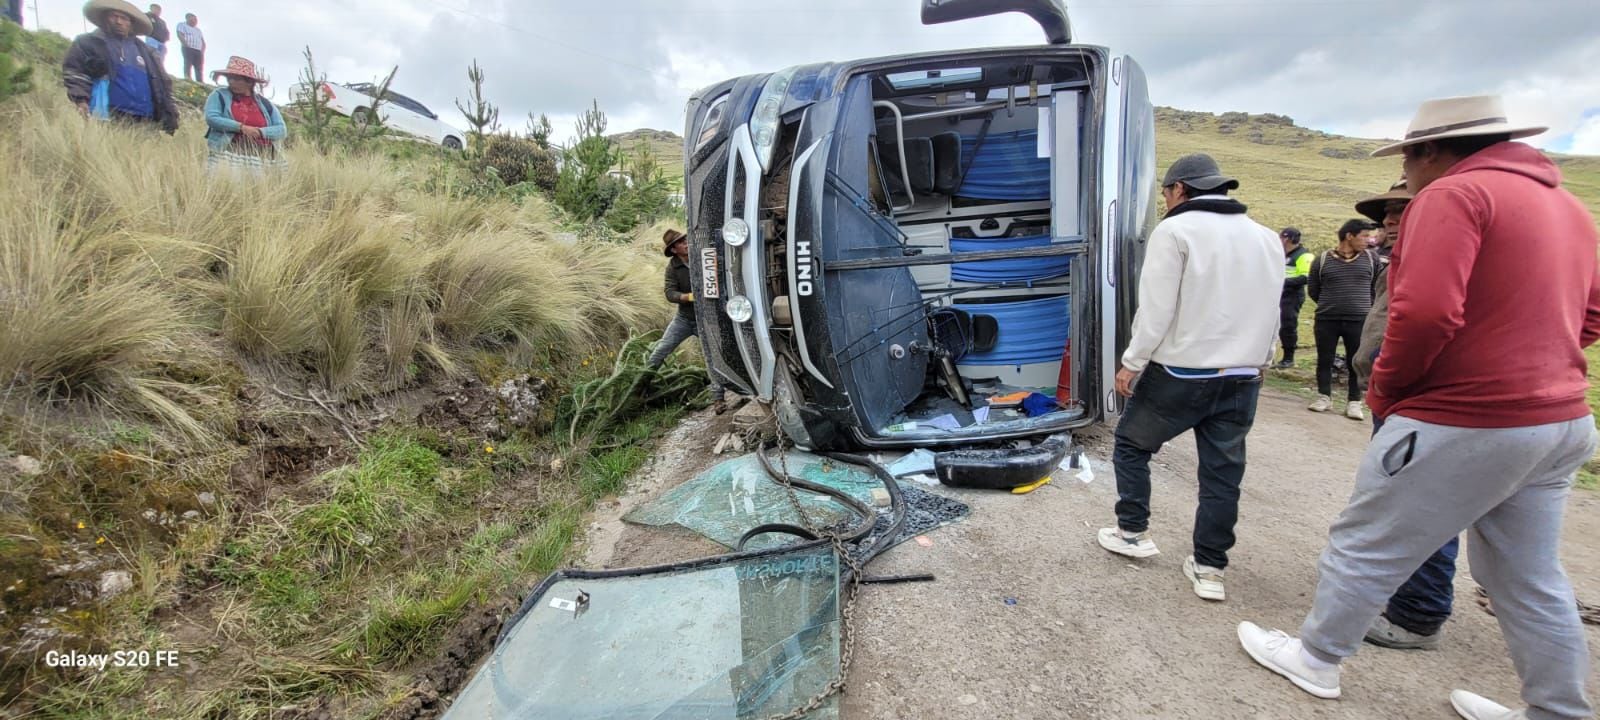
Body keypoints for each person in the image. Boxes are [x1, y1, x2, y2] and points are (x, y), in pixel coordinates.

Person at [1237, 94, 1600, 720]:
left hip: (1465, 413)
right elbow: (1592, 314)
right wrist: (1538, 361)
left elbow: (1426, 311)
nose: (1404, 172)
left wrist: (1391, 387)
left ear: (1429, 150)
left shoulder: (1454, 194)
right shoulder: (1566, 205)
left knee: (1366, 539)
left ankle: (1317, 658)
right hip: (1562, 418)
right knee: (1526, 574)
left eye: (1407, 157)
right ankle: (1556, 709)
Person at [1095, 154, 1283, 602]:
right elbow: (1272, 308)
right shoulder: (1266, 237)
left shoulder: (1175, 231)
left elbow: (1156, 309)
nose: (1164, 200)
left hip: (1182, 372)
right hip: (1243, 374)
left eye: (1165, 192)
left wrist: (1132, 361)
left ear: (1179, 189)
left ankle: (1132, 532)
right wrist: (1264, 358)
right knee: (1223, 474)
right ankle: (1210, 568)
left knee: (1132, 445)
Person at [1344, 176, 1460, 652]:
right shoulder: (1397, 259)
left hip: (1418, 402)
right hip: (1406, 398)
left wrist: (1389, 382)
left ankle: (1418, 613)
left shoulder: (1436, 259)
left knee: (1418, 503)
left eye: (1403, 208)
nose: (1390, 220)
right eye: (1387, 213)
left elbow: (1425, 320)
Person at [61, 0, 178, 134]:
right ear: (104, 18)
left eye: (124, 18)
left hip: (146, 119)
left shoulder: (147, 51)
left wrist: (170, 113)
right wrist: (81, 99)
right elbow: (75, 72)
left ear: (131, 24)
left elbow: (164, 83)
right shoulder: (88, 42)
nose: (118, 21)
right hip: (107, 115)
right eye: (113, 16)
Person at [647, 230, 728, 414]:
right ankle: (639, 388)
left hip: (706, 319)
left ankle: (718, 399)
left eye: (685, 239)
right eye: (681, 242)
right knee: (660, 350)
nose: (686, 243)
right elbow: (669, 293)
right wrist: (688, 297)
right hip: (684, 319)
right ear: (674, 249)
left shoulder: (703, 257)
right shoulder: (672, 267)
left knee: (713, 356)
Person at [1306, 218, 1378, 420]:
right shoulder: (1322, 260)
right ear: (1349, 236)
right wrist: (1331, 304)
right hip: (1327, 318)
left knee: (1355, 360)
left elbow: (1375, 288)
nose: (1368, 240)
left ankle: (1354, 402)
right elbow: (1314, 288)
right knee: (1325, 358)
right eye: (1364, 236)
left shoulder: (1371, 259)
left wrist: (1363, 306)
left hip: (1359, 319)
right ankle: (1324, 397)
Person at [204, 56, 287, 174]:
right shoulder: (219, 95)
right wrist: (241, 127)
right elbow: (212, 118)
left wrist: (260, 132)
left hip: (262, 157)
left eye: (237, 79)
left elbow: (281, 129)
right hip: (229, 152)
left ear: (249, 82)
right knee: (226, 183)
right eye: (229, 78)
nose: (231, 82)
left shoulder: (265, 104)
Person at [1275, 227, 1312, 368]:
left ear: (1287, 239)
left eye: (1281, 237)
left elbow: (1305, 278)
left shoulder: (1304, 255)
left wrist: (1281, 282)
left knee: (1288, 326)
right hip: (1278, 294)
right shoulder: (1280, 253)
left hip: (1292, 295)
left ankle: (1288, 358)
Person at [174, 12, 204, 83]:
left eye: (196, 20)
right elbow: (179, 34)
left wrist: (202, 51)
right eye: (194, 19)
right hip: (188, 48)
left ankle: (200, 81)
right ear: (188, 18)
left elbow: (202, 41)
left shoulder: (198, 30)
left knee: (199, 67)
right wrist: (186, 45)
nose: (195, 21)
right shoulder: (182, 25)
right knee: (188, 63)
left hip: (198, 50)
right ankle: (188, 78)